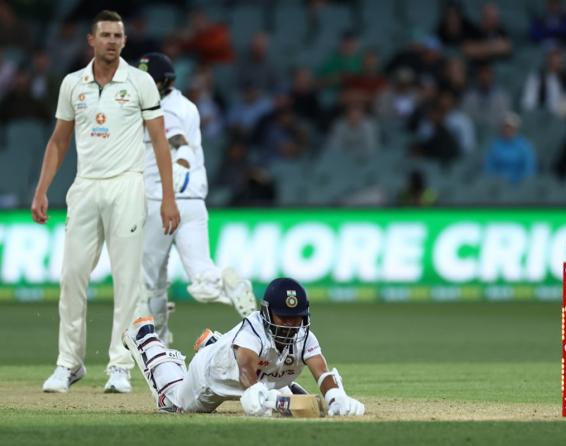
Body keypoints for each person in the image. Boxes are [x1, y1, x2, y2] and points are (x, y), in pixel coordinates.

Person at [33, 11, 181, 394]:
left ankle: (119, 365)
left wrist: (167, 197)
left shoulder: (140, 82)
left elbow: (160, 142)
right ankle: (68, 363)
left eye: (119, 35)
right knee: (71, 277)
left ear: (125, 42)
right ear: (91, 40)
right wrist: (41, 189)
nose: (113, 41)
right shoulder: (73, 84)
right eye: (106, 35)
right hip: (86, 187)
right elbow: (59, 141)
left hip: (127, 186)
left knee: (128, 281)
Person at [136, 52, 257, 346]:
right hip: (193, 202)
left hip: (162, 199)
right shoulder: (186, 104)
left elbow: (179, 143)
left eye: (147, 78)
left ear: (164, 81)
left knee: (149, 279)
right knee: (202, 276)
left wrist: (175, 179)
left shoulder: (165, 109)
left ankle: (157, 342)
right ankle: (228, 285)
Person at [123, 277, 365, 416]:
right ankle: (146, 338)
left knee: (274, 397)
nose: (291, 324)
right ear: (268, 313)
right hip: (213, 378)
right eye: (284, 317)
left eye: (297, 317)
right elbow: (246, 370)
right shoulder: (253, 331)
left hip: (258, 372)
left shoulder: (304, 336)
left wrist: (335, 395)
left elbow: (322, 372)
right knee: (173, 404)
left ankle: (216, 344)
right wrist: (252, 392)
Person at [483, 112, 537, 185]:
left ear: (516, 129)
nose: (507, 130)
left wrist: (522, 183)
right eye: (505, 127)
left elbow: (529, 168)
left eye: (510, 128)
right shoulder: (495, 145)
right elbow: (489, 167)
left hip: (519, 185)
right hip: (498, 185)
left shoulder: (524, 145)